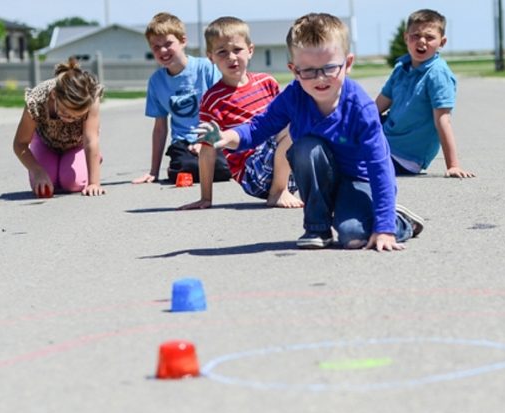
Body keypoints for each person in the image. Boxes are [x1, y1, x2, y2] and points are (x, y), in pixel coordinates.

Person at [195, 13, 424, 251]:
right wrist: (226, 137)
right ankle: (317, 227)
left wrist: (385, 227)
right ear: (294, 70)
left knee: (354, 237)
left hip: (358, 179)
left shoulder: (361, 108)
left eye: (329, 68)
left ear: (348, 63)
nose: (320, 78)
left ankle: (401, 221)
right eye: (309, 71)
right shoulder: (294, 96)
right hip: (322, 177)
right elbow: (258, 126)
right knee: (305, 147)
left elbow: (380, 167)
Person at [179, 16, 302, 210]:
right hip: (254, 173)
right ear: (210, 57)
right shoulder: (213, 100)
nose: (231, 57)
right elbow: (208, 149)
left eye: (237, 50)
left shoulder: (267, 82)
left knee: (308, 119)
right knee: (295, 125)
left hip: (290, 169)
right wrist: (206, 198)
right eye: (222, 52)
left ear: (250, 50)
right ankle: (278, 192)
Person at [133, 12, 231, 185]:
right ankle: (177, 166)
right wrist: (153, 172)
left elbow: (222, 109)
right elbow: (160, 128)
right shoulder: (156, 82)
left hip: (213, 136)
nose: (162, 50)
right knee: (183, 169)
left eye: (168, 44)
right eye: (156, 47)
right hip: (183, 142)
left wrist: (206, 142)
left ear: (183, 41)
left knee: (222, 169)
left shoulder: (206, 68)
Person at [375, 9, 475, 178]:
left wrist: (453, 165)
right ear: (406, 38)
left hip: (404, 156)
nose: (422, 41)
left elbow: (443, 120)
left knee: (342, 164)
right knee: (340, 135)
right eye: (415, 36)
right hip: (385, 140)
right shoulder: (401, 69)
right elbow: (376, 107)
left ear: (442, 42)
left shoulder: (438, 74)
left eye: (429, 37)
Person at [13, 57, 105, 197]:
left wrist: (94, 183)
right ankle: (50, 165)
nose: (69, 120)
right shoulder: (37, 99)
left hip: (77, 144)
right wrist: (37, 171)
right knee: (46, 184)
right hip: (45, 142)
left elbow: (90, 140)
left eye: (76, 117)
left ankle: (93, 159)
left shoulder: (90, 97)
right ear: (54, 95)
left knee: (72, 183)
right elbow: (20, 144)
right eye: (65, 113)